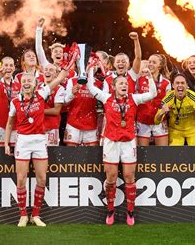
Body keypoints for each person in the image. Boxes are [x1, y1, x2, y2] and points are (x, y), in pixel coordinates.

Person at [87, 67, 157, 226]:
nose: (124, 85)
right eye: (120, 83)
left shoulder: (134, 99)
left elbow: (153, 94)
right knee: (111, 178)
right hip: (111, 142)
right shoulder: (106, 98)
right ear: (114, 86)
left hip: (128, 142)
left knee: (129, 177)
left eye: (126, 83)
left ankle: (130, 212)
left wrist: (150, 77)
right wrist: (90, 71)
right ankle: (110, 210)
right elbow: (91, 88)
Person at [4, 62, 72, 227]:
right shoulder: (15, 102)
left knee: (41, 179)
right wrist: (7, 143)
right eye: (24, 82)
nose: (27, 84)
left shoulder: (42, 93)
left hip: (40, 140)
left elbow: (61, 77)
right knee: (21, 179)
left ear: (35, 84)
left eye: (30, 81)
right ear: (21, 84)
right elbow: (9, 124)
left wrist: (68, 64)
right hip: (23, 142)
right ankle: (22, 215)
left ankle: (35, 215)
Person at [155, 73, 195, 146]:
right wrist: (162, 112)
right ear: (173, 86)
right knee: (174, 155)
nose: (180, 85)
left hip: (193, 130)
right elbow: (156, 121)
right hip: (175, 131)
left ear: (187, 86)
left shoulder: (193, 97)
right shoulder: (168, 99)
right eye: (177, 83)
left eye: (182, 83)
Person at [64, 57, 102, 146]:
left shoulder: (99, 84)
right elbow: (65, 102)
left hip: (91, 124)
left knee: (92, 157)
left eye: (91, 64)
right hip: (73, 123)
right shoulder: (72, 81)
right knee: (71, 156)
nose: (88, 67)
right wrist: (72, 94)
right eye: (85, 64)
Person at [136, 54, 171, 146]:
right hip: (143, 121)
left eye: (154, 62)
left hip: (160, 121)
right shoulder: (139, 80)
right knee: (142, 153)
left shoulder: (166, 83)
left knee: (162, 153)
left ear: (160, 66)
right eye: (149, 61)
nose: (150, 64)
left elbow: (168, 103)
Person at [0, 57, 21, 147]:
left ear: (14, 68)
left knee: (14, 156)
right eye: (6, 65)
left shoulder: (19, 85)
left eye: (11, 65)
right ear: (1, 67)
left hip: (15, 126)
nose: (8, 67)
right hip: (0, 125)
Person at [43, 63, 66, 146]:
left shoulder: (60, 89)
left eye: (51, 70)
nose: (47, 72)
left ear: (56, 74)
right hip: (37, 128)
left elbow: (56, 111)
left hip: (51, 128)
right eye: (46, 70)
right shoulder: (37, 87)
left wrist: (37, 111)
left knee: (51, 156)